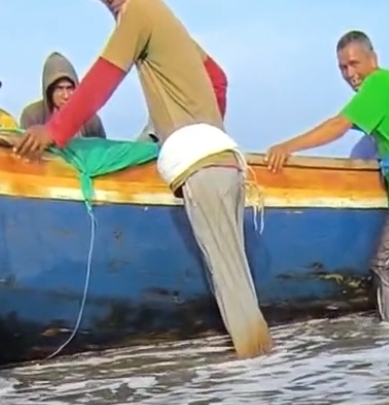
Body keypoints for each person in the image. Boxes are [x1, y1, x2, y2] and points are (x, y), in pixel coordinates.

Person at [14, 0, 272, 360]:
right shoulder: (165, 18)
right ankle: (264, 380)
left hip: (202, 168)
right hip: (226, 162)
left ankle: (255, 387)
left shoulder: (139, 11)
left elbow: (102, 79)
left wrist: (54, 132)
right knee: (237, 278)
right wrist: (207, 130)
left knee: (228, 282)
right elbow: (217, 77)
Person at [265, 31, 389, 324]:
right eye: (343, 68)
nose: (350, 74)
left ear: (373, 59)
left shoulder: (375, 86)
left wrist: (288, 147)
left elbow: (338, 125)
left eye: (354, 64)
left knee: (385, 266)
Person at [20, 53, 106, 137]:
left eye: (69, 88)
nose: (66, 96)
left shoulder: (90, 120)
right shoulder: (32, 116)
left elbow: (103, 149)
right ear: (50, 91)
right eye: (60, 89)